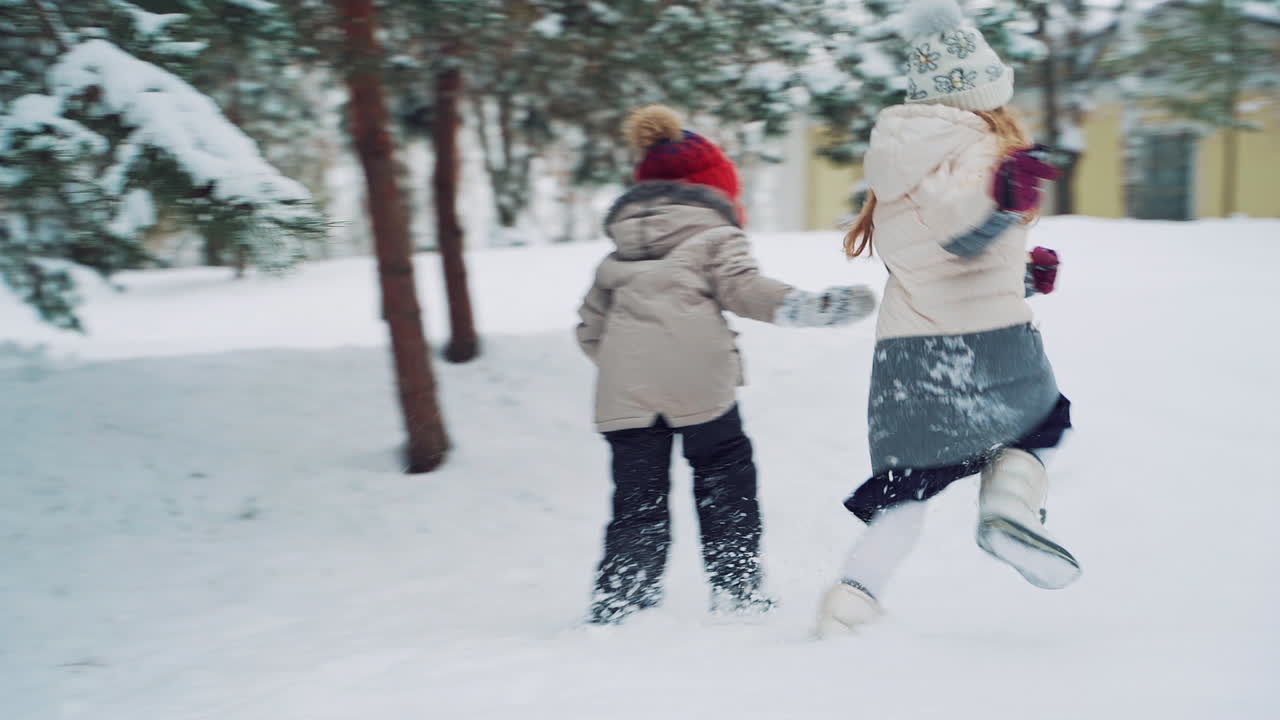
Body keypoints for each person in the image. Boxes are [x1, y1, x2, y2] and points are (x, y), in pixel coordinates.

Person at [815, 0, 1080, 637]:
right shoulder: (979, 147)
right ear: (985, 94)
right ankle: (1008, 510)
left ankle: (849, 602)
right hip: (988, 344)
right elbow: (962, 231)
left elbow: (935, 249)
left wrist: (1020, 272)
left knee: (906, 487)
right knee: (1041, 427)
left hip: (909, 357)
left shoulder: (899, 159)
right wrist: (1001, 203)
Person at [577, 105, 877, 624]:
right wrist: (800, 305)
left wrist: (628, 363)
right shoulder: (716, 236)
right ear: (714, 190)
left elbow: (589, 328)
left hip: (624, 391)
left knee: (637, 497)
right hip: (700, 381)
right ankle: (737, 586)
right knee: (723, 474)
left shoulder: (617, 252)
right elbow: (744, 289)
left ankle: (623, 600)